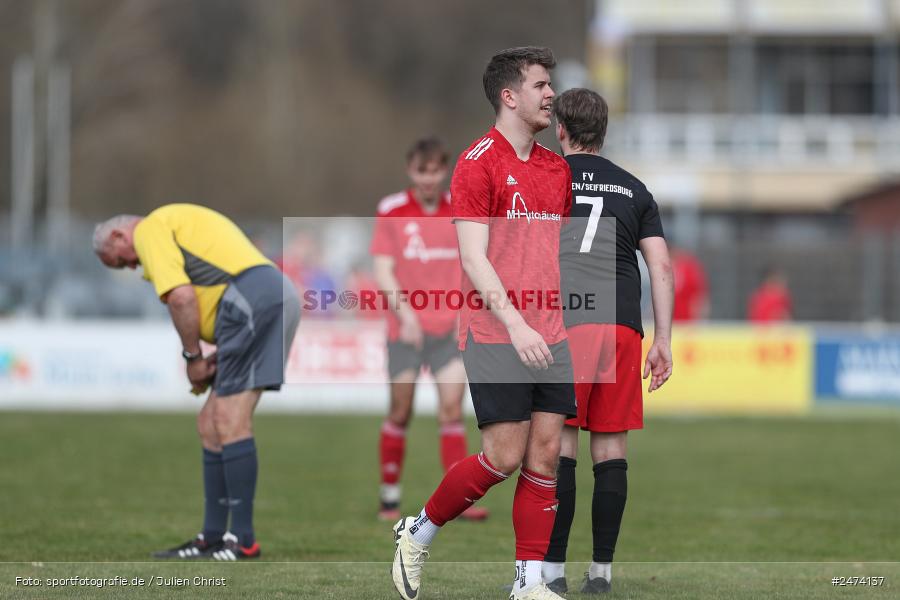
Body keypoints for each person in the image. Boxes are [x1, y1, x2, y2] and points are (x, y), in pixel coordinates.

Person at [391, 46, 575, 600]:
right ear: (509, 96)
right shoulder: (477, 163)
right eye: (541, 85)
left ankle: (528, 584)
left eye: (551, 85)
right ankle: (416, 532)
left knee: (546, 456)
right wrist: (518, 324)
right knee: (504, 457)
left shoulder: (555, 167)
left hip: (553, 333)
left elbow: (555, 255)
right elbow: (474, 258)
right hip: (497, 331)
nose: (551, 95)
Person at [92, 203, 300, 561]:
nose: (132, 266)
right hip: (263, 296)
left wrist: (193, 359)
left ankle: (244, 540)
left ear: (119, 235)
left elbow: (182, 296)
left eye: (121, 259)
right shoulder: (174, 222)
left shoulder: (150, 230)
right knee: (210, 423)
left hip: (252, 301)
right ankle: (212, 536)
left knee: (230, 420)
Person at [544, 88, 674, 594]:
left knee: (561, 446)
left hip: (568, 321)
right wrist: (662, 339)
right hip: (622, 323)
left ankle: (551, 575)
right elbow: (660, 266)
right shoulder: (635, 189)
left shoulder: (545, 179)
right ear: (604, 132)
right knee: (611, 446)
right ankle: (600, 574)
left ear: (560, 130)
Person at [370, 136, 487, 522]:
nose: (428, 178)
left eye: (435, 170)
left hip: (448, 330)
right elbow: (383, 270)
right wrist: (405, 316)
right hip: (405, 330)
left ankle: (458, 499)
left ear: (444, 170)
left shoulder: (460, 209)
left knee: (451, 410)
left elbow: (474, 264)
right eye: (421, 171)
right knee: (400, 410)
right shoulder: (392, 210)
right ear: (410, 170)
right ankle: (389, 497)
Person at [671, 245, 708, 322]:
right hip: (670, 323)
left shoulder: (688, 267)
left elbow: (698, 297)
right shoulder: (661, 268)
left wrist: (698, 319)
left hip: (687, 322)